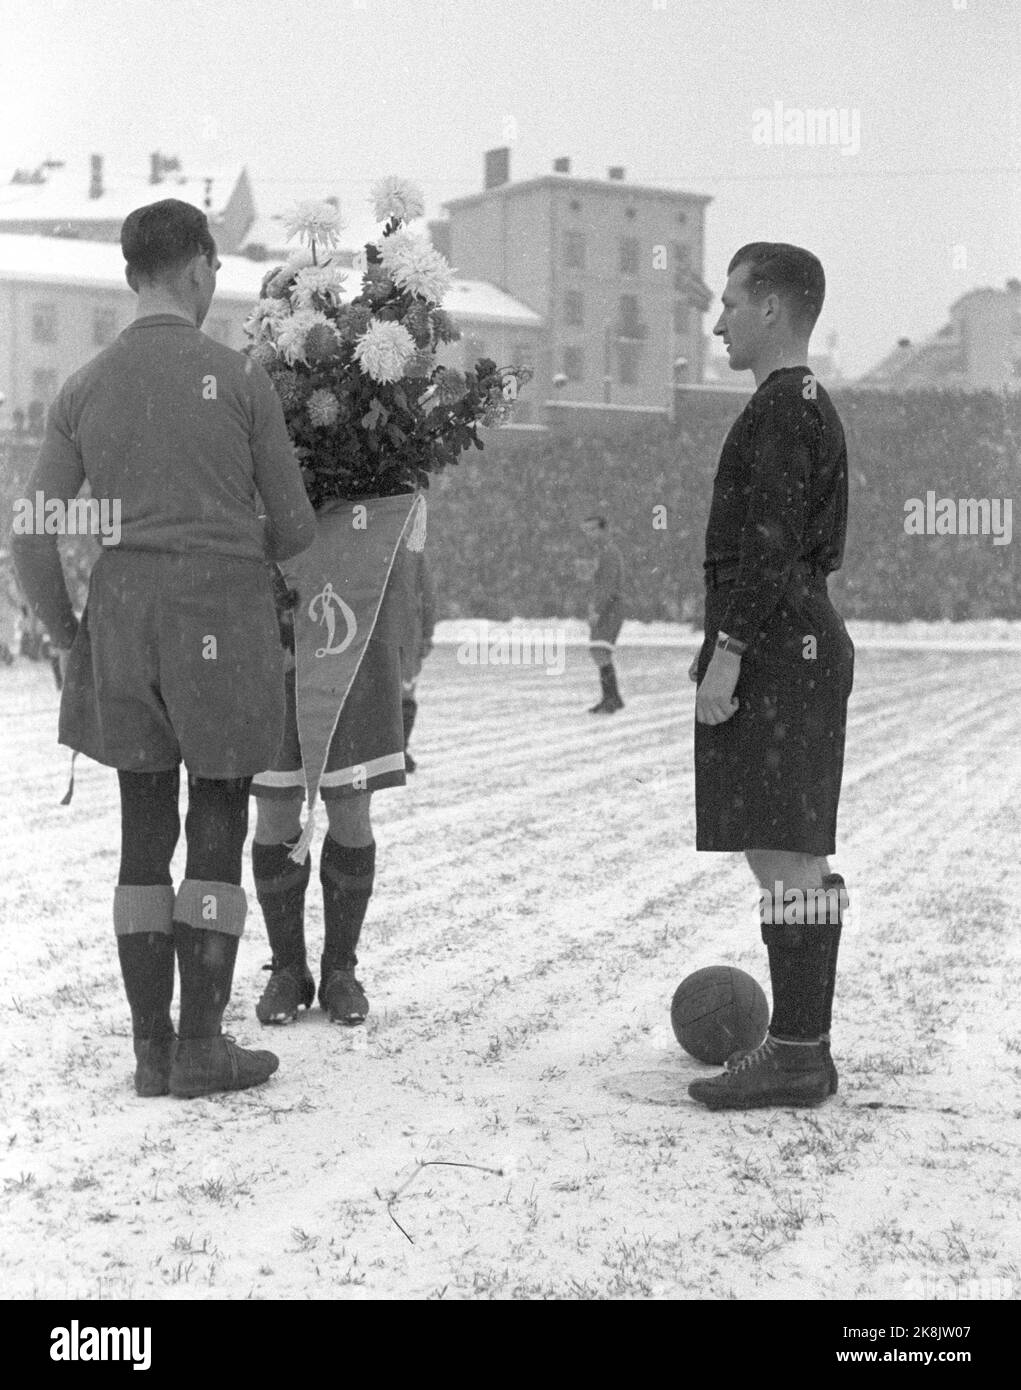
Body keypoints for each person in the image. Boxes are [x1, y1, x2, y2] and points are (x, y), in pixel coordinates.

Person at [11, 199, 316, 1099]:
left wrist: (72, 638)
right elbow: (294, 529)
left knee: (141, 835)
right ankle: (202, 1048)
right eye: (214, 272)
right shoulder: (239, 377)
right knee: (216, 820)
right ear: (195, 270)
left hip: (123, 617)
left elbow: (32, 535)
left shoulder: (83, 386)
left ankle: (150, 1053)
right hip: (219, 612)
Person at [687, 242, 854, 1111]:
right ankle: (799, 1048)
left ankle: (795, 1054)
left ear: (773, 311)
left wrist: (730, 652)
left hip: (783, 650)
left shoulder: (788, 406)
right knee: (782, 848)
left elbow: (770, 545)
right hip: (790, 643)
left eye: (729, 302)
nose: (716, 320)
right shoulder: (788, 403)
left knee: (787, 850)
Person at [580, 514, 625, 714]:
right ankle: (613, 698)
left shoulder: (609, 552)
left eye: (592, 530)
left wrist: (597, 610)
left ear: (603, 529)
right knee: (600, 652)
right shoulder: (604, 552)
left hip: (610, 608)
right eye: (586, 531)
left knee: (599, 651)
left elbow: (607, 585)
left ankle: (611, 698)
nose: (589, 535)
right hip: (609, 605)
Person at [401, 550, 436, 773]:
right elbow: (428, 597)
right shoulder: (413, 555)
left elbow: (427, 597)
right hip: (407, 637)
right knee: (403, 696)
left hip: (403, 638)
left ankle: (394, 750)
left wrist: (425, 634)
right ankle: (397, 750)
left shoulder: (412, 555)